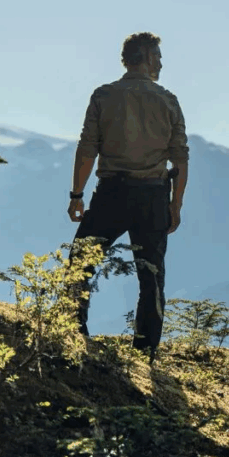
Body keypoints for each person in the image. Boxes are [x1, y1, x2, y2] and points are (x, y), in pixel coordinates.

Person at [66, 32, 189, 364]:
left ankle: (73, 333)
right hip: (154, 196)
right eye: (158, 56)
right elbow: (180, 157)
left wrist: (77, 194)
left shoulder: (104, 96)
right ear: (146, 57)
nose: (161, 62)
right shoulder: (168, 100)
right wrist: (175, 204)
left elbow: (87, 147)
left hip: (112, 193)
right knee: (152, 276)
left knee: (80, 263)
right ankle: (145, 351)